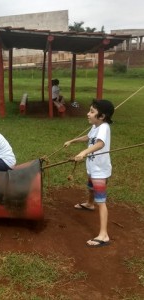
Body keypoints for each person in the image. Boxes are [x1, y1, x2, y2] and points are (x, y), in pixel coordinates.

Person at [64, 99, 115, 248]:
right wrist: (72, 141)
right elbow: (88, 137)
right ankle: (89, 204)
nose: (88, 113)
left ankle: (104, 235)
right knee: (90, 186)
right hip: (93, 167)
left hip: (100, 170)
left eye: (92, 111)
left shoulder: (104, 127)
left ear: (102, 116)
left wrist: (84, 152)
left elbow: (100, 143)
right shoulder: (95, 126)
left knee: (102, 201)